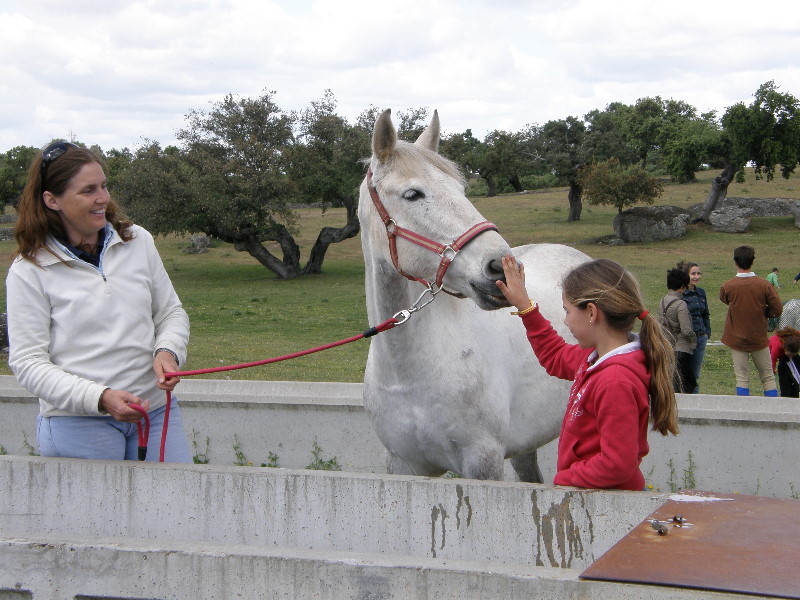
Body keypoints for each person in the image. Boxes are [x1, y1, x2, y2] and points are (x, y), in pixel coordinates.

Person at [6, 141, 192, 462]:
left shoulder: (138, 240)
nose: (103, 198)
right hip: (78, 424)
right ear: (52, 200)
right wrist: (100, 397)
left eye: (104, 186)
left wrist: (168, 351)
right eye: (88, 190)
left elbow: (170, 313)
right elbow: (28, 363)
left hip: (155, 412)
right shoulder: (30, 270)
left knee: (176, 510)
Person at [497, 255, 678, 491]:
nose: (566, 320)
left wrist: (566, 479)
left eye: (568, 311)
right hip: (597, 498)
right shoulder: (596, 359)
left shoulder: (615, 381)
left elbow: (617, 465)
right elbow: (555, 356)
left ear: (592, 312)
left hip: (610, 509)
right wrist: (525, 306)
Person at [719, 245, 783, 397]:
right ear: (752, 261)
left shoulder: (728, 286)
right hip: (758, 338)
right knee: (767, 377)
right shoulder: (764, 285)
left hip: (736, 338)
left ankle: (743, 413)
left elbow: (725, 299)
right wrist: (763, 312)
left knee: (741, 378)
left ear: (735, 262)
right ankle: (771, 412)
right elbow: (777, 308)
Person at [660, 268, 697, 394]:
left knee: (674, 378)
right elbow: (686, 329)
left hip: (668, 344)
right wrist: (693, 340)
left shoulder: (663, 301)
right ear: (682, 286)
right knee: (688, 382)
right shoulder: (681, 304)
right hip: (682, 346)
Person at [679, 261, 711, 393]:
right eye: (693, 274)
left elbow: (705, 314)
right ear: (686, 275)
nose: (696, 276)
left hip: (700, 338)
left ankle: (696, 404)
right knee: (684, 375)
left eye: (698, 273)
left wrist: (707, 332)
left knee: (695, 375)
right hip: (685, 340)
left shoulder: (701, 293)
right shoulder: (680, 294)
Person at [768, 327, 800, 398]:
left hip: (787, 352)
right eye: (790, 354)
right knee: (784, 376)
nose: (791, 356)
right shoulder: (777, 347)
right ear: (785, 348)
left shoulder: (796, 338)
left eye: (793, 354)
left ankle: (796, 389)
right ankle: (786, 395)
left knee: (796, 362)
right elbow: (772, 362)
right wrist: (772, 372)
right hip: (779, 355)